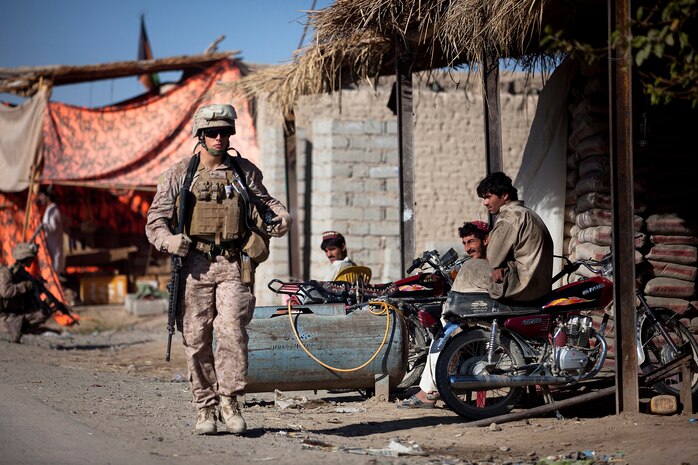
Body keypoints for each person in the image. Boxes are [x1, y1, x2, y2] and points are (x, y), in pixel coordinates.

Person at [145, 103, 292, 436]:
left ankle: (230, 400)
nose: (220, 138)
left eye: (226, 132)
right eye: (213, 132)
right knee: (196, 339)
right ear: (201, 135)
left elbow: (267, 203)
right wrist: (170, 241)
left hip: (232, 264)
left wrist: (283, 218)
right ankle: (205, 407)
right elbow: (155, 221)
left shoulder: (243, 172)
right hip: (194, 266)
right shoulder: (180, 173)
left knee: (232, 330)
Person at [398, 220, 490, 408]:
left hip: (481, 318)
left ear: (486, 240)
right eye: (465, 243)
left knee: (447, 338)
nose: (468, 248)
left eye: (472, 242)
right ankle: (428, 390)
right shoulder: (474, 264)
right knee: (440, 338)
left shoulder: (491, 263)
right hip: (469, 315)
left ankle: (429, 392)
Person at [452, 171, 554, 301]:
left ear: (504, 195)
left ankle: (450, 315)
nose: (485, 202)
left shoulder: (510, 216)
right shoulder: (529, 214)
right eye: (484, 198)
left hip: (522, 286)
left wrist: (498, 265)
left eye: (488, 197)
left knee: (469, 266)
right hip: (541, 287)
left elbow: (493, 257)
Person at [0, 243, 48, 344]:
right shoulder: (5, 272)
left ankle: (21, 329)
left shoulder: (21, 273)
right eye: (30, 259)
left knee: (42, 314)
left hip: (15, 313)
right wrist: (25, 286)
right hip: (4, 316)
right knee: (13, 337)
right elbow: (6, 292)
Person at [36, 185, 66, 278]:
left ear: (47, 197)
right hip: (52, 244)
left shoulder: (53, 211)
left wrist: (41, 225)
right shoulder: (49, 210)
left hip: (54, 245)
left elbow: (52, 228)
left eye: (42, 195)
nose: (40, 198)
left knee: (55, 269)